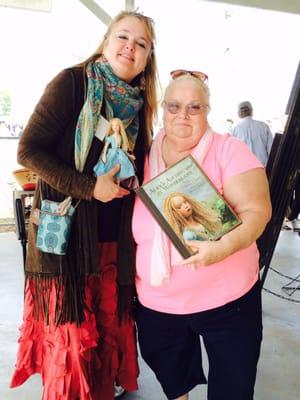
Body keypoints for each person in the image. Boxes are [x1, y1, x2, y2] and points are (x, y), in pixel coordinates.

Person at [10, 10, 158, 400]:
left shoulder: (140, 107)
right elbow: (29, 150)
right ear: (106, 42)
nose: (130, 46)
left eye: (141, 43)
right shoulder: (72, 84)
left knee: (107, 331)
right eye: (123, 36)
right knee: (73, 340)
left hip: (115, 243)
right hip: (68, 243)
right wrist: (89, 187)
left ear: (147, 59)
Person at [132, 71, 272, 400]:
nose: (183, 115)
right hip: (159, 301)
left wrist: (222, 248)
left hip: (228, 300)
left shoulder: (230, 151)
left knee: (233, 383)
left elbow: (257, 212)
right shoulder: (141, 155)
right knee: (171, 371)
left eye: (194, 107)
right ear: (162, 109)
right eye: (174, 106)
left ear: (207, 111)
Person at [94, 117, 138, 188]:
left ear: (120, 126)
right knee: (109, 167)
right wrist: (104, 155)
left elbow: (122, 149)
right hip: (112, 153)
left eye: (116, 125)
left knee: (121, 168)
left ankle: (118, 183)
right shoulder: (110, 137)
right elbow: (105, 147)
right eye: (113, 125)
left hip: (119, 153)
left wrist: (129, 155)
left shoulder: (120, 137)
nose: (115, 127)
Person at [231, 101, 274, 166]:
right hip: (262, 168)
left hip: (243, 169)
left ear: (239, 113)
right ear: (251, 111)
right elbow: (271, 149)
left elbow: (231, 154)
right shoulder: (263, 126)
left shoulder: (234, 130)